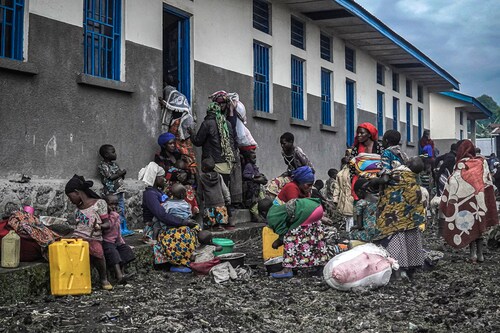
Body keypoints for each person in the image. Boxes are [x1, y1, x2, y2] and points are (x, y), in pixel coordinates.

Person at [439, 140, 499, 263]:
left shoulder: (460, 165)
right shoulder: (481, 163)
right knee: (479, 225)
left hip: (465, 203)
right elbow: (487, 182)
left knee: (469, 225)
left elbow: (453, 181)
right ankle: (481, 254)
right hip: (479, 201)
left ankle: (473, 255)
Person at [139, 162, 198, 273]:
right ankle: (178, 261)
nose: (165, 179)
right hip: (155, 228)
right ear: (155, 178)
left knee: (191, 230)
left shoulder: (157, 191)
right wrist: (182, 221)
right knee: (179, 234)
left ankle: (186, 259)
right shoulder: (149, 194)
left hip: (168, 223)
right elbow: (161, 215)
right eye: (161, 177)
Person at [373, 157, 427, 280]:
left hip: (395, 215)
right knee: (411, 239)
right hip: (411, 216)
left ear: (407, 164)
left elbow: (384, 181)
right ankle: (411, 268)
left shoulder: (397, 173)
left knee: (397, 239)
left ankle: (399, 270)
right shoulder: (414, 178)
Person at [65, 175, 112, 290]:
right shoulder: (78, 209)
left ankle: (103, 279)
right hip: (77, 238)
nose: (70, 201)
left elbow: (108, 224)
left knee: (97, 250)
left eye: (70, 197)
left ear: (77, 192)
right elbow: (78, 226)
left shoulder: (99, 204)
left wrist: (99, 226)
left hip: (93, 238)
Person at [260, 197, 328, 278]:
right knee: (314, 237)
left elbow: (284, 234)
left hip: (306, 212)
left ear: (263, 213)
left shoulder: (271, 216)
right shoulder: (278, 208)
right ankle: (321, 267)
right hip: (317, 207)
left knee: (290, 238)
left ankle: (287, 269)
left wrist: (276, 243)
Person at [208, 91, 244, 207]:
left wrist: (231, 110)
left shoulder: (229, 116)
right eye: (219, 104)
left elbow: (232, 128)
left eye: (223, 103)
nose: (221, 106)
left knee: (232, 177)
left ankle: (234, 201)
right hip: (219, 151)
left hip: (229, 149)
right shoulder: (214, 117)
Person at [190, 102, 236, 193]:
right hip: (227, 163)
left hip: (212, 164)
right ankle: (225, 206)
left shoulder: (207, 124)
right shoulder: (227, 124)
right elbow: (232, 141)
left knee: (212, 190)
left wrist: (191, 133)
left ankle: (214, 206)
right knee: (224, 188)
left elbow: (198, 141)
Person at [159, 74, 197, 174]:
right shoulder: (180, 95)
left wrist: (165, 104)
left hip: (180, 127)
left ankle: (191, 173)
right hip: (184, 129)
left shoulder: (168, 91)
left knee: (183, 151)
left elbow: (171, 107)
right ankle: (192, 173)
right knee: (187, 153)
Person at [155, 132, 199, 215]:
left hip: (183, 181)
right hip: (168, 183)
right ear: (164, 145)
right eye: (170, 144)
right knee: (175, 191)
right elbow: (162, 172)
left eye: (173, 143)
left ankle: (189, 214)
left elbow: (188, 168)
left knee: (189, 190)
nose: (173, 145)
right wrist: (176, 176)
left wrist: (185, 173)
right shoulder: (160, 157)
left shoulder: (178, 154)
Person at [97, 144, 133, 236]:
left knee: (121, 209)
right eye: (113, 152)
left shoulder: (114, 164)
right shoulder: (103, 165)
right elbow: (111, 177)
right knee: (114, 210)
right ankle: (117, 228)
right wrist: (121, 173)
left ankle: (124, 228)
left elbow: (119, 175)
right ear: (106, 155)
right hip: (111, 192)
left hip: (119, 190)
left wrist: (122, 174)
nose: (115, 154)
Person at [102, 195, 135, 284]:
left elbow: (117, 230)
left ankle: (123, 272)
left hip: (115, 241)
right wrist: (115, 215)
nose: (114, 207)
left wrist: (121, 241)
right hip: (106, 241)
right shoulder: (106, 216)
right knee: (113, 253)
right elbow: (109, 226)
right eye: (111, 204)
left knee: (125, 249)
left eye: (116, 204)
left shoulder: (115, 215)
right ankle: (119, 275)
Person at [349, 123, 383, 200]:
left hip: (376, 182)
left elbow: (383, 163)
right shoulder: (356, 149)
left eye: (362, 133)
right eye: (357, 133)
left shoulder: (378, 147)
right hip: (360, 183)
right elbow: (352, 166)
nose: (358, 135)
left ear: (369, 135)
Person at [198, 157, 231, 231]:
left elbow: (199, 191)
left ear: (204, 168)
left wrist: (200, 200)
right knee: (220, 213)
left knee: (210, 214)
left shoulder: (202, 178)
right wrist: (227, 198)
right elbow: (224, 189)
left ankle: (210, 227)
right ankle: (220, 225)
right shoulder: (219, 176)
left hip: (209, 201)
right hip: (220, 200)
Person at [241, 150, 267, 222]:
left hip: (257, 188)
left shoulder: (254, 166)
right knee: (254, 203)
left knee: (262, 200)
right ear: (249, 159)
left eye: (255, 158)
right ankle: (255, 216)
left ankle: (261, 215)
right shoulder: (248, 166)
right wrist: (254, 176)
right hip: (252, 188)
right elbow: (245, 175)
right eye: (253, 158)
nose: (255, 160)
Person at [332, 157, 354, 231]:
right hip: (350, 196)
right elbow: (337, 187)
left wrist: (335, 199)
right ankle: (350, 232)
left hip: (345, 197)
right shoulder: (352, 172)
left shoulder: (340, 173)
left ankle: (349, 231)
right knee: (351, 217)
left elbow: (337, 187)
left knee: (349, 217)